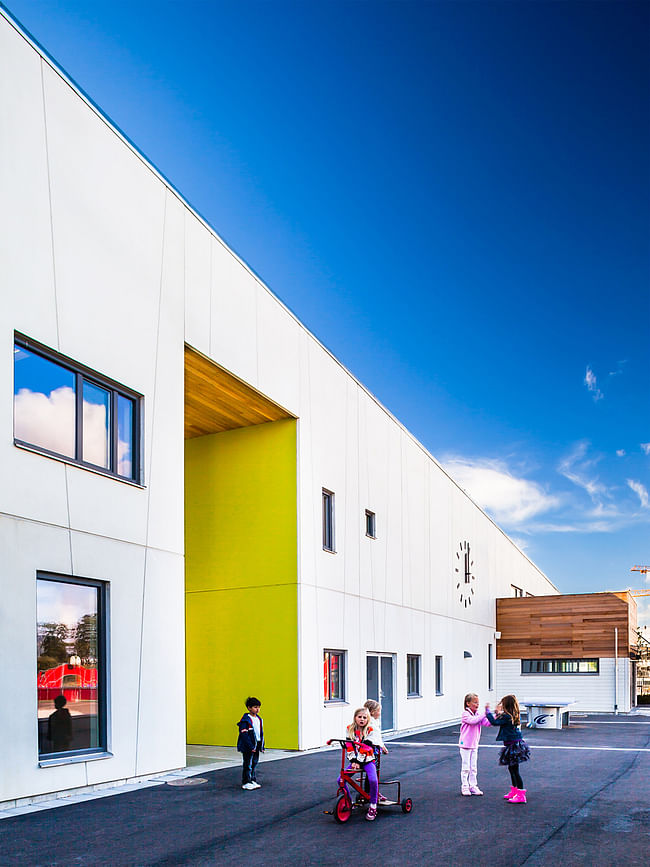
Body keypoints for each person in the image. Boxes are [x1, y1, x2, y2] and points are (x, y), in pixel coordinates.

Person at [486, 694, 531, 803]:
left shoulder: (507, 716)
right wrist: (497, 713)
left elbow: (495, 722)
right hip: (514, 744)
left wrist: (487, 711)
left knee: (515, 770)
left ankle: (520, 794)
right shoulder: (512, 715)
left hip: (513, 746)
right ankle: (515, 791)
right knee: (512, 769)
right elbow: (501, 719)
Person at [344, 707, 381, 821]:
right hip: (356, 761)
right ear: (355, 718)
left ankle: (373, 805)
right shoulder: (350, 729)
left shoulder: (370, 730)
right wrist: (354, 761)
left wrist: (358, 762)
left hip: (368, 760)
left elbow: (365, 748)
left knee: (373, 780)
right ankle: (348, 802)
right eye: (359, 717)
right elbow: (349, 747)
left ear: (368, 719)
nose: (362, 719)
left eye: (364, 717)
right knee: (341, 779)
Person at [458, 692, 490, 795]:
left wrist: (495, 716)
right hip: (465, 745)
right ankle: (465, 786)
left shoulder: (478, 715)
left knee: (473, 767)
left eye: (478, 703)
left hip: (474, 745)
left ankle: (473, 786)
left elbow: (486, 723)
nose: (477, 705)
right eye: (475, 702)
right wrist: (484, 713)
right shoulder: (465, 714)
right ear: (468, 703)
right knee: (466, 767)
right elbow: (473, 721)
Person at [236, 696, 264, 790]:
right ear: (249, 708)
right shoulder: (245, 720)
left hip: (257, 744)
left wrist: (262, 746)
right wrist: (250, 746)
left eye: (259, 707)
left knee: (254, 763)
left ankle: (252, 779)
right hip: (248, 746)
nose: (257, 709)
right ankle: (246, 782)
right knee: (248, 764)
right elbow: (244, 734)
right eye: (255, 707)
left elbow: (261, 733)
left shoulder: (259, 719)